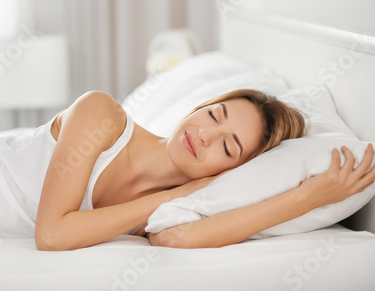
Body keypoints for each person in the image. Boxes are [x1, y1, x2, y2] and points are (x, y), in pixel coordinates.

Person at [34, 89, 375, 251]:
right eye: (214, 115)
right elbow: (51, 235)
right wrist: (177, 193)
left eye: (227, 147)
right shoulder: (101, 114)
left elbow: (174, 239)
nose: (205, 135)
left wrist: (305, 199)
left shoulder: (183, 208)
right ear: (202, 106)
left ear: (235, 171)